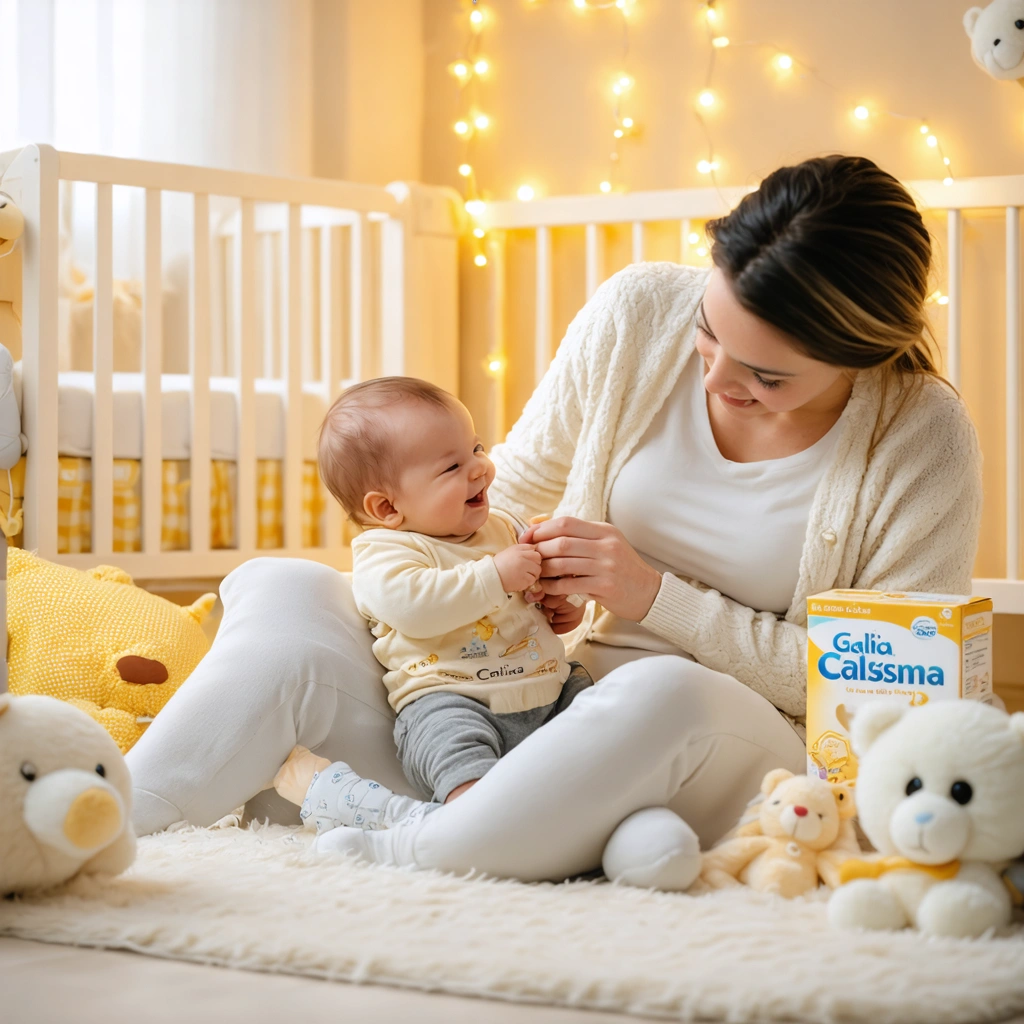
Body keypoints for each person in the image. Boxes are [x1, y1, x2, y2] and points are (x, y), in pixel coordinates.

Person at [126, 155, 981, 885]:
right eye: (707, 334)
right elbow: (510, 492)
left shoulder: (919, 436)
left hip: (731, 756)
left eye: (766, 377)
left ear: (859, 357)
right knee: (291, 588)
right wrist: (501, 576)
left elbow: (883, 697)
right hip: (527, 720)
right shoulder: (639, 311)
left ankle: (420, 849)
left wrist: (653, 596)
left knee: (664, 689)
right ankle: (94, 818)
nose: (717, 380)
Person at [271, 376, 591, 834]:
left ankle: (594, 801)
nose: (480, 469)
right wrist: (496, 575)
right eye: (452, 467)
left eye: (477, 449)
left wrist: (563, 607)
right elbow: (412, 607)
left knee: (602, 711)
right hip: (452, 701)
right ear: (386, 509)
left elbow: (540, 596)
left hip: (550, 688)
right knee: (452, 750)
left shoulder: (505, 527)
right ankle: (474, 822)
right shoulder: (386, 552)